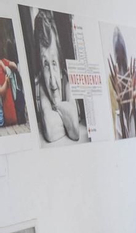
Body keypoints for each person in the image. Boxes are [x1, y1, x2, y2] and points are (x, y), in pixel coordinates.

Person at [27, 11, 80, 143]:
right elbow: (51, 130)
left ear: (61, 64)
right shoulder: (41, 85)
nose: (52, 82)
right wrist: (65, 110)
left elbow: (75, 129)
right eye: (45, 64)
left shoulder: (66, 80)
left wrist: (55, 107)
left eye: (54, 63)